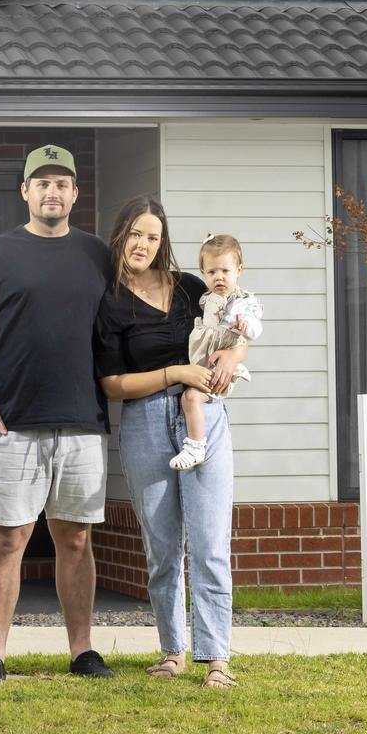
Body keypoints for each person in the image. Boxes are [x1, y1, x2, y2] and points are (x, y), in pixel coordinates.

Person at [0, 144, 114, 683]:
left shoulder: (97, 254)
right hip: (13, 423)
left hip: (82, 420)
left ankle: (82, 651)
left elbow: (140, 308)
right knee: (8, 538)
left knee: (75, 538)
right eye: (41, 182)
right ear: (24, 191)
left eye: (62, 183)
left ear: (75, 193)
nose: (52, 191)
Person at [94, 195, 247, 688]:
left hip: (203, 416)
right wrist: (175, 372)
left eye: (153, 236)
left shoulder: (190, 289)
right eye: (136, 234)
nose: (143, 244)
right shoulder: (110, 299)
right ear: (122, 236)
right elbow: (113, 385)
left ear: (164, 242)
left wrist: (230, 356)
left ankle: (217, 658)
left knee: (209, 544)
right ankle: (172, 651)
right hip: (143, 422)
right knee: (163, 548)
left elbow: (236, 322)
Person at [169, 234, 263, 471]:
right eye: (211, 272)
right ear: (203, 273)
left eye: (225, 271)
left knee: (190, 398)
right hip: (203, 359)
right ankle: (195, 444)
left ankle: (195, 446)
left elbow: (255, 327)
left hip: (217, 364)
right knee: (190, 398)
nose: (218, 277)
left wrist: (246, 327)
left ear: (238, 270)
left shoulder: (241, 301)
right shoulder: (206, 298)